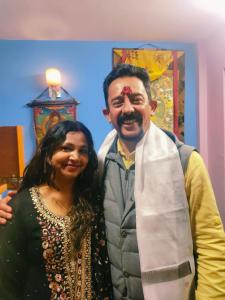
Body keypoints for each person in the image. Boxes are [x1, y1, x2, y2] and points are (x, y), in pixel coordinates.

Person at [1, 64, 225, 300]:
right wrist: (13, 205)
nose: (128, 109)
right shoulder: (98, 165)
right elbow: (58, 197)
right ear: (107, 114)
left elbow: (211, 242)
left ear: (152, 107)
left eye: (137, 99)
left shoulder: (186, 161)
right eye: (118, 103)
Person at [0, 120, 112, 300]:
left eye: (82, 151)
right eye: (66, 148)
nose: (75, 157)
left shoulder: (94, 201)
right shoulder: (21, 207)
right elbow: (7, 280)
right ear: (48, 154)